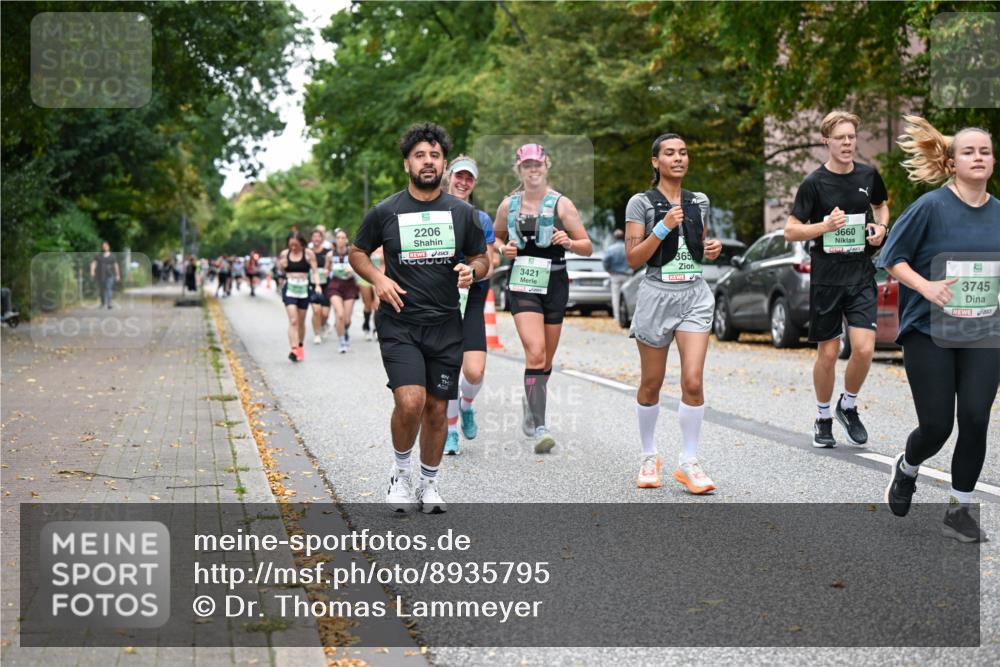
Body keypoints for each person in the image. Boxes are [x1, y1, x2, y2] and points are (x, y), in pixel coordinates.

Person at [350, 122, 489, 514]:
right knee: (410, 401)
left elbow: (482, 257)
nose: (427, 162)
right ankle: (399, 473)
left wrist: (472, 271)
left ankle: (429, 484)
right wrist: (378, 278)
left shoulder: (463, 213)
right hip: (400, 322)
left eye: (434, 156)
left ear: (443, 164)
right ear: (407, 163)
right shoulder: (386, 211)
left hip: (446, 324)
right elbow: (357, 252)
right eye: (419, 155)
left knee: (436, 409)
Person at [880, 117, 999, 543]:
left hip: (984, 334)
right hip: (929, 332)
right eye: (969, 151)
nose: (978, 157)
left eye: (984, 151)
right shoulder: (930, 207)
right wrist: (926, 286)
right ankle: (907, 466)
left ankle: (959, 511)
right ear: (951, 163)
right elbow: (892, 257)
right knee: (937, 426)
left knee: (974, 418)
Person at [784, 110, 889, 448]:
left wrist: (880, 228)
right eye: (840, 137)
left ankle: (849, 405)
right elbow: (791, 230)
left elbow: (882, 205)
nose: (847, 143)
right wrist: (824, 227)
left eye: (851, 137)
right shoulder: (814, 183)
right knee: (828, 354)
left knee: (864, 348)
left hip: (860, 274)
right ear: (826, 140)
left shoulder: (868, 175)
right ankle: (823, 416)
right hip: (827, 278)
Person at [624, 133, 723, 492]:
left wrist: (710, 248)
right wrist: (663, 226)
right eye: (670, 153)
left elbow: (697, 247)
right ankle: (649, 455)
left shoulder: (700, 201)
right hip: (656, 295)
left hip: (694, 295)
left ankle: (689, 461)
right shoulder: (641, 204)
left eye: (683, 152)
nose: (678, 158)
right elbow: (634, 258)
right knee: (651, 383)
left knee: (693, 380)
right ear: (655, 162)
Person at [494, 143, 592, 454]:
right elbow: (495, 237)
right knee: (535, 353)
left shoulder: (562, 205)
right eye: (527, 165)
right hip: (523, 280)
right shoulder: (508, 205)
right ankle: (540, 425)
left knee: (545, 360)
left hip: (555, 281)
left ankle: (531, 399)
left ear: (547, 165)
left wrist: (569, 242)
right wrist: (501, 249)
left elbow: (587, 245)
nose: (533, 170)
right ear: (519, 169)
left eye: (537, 164)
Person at [441, 156, 498, 455]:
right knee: (449, 368)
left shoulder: (481, 219)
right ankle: (450, 430)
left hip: (473, 294)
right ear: (449, 176)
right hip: (441, 297)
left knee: (473, 372)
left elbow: (488, 264)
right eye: (459, 176)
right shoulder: (433, 212)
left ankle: (466, 405)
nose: (463, 182)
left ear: (473, 183)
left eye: (469, 178)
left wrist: (470, 273)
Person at [278, 231, 322, 362]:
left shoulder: (308, 254)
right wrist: (282, 266)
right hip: (290, 289)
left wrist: (318, 285)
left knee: (301, 322)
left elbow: (315, 271)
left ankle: (300, 346)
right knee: (293, 320)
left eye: (296, 245)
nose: (293, 248)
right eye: (291, 245)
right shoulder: (285, 254)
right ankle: (293, 349)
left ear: (302, 244)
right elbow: (280, 271)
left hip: (303, 290)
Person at [327, 229, 360, 353]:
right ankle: (342, 342)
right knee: (339, 314)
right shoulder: (330, 255)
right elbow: (326, 269)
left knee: (347, 319)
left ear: (346, 240)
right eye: (338, 237)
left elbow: (359, 268)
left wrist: (353, 271)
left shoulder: (352, 253)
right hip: (335, 285)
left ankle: (344, 330)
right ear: (335, 240)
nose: (340, 240)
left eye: (343, 237)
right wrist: (326, 272)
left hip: (349, 286)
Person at [603, 228, 632, 323]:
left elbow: (606, 261)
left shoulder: (611, 249)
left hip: (615, 275)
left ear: (614, 238)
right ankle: (627, 316)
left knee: (615, 296)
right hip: (627, 274)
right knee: (627, 296)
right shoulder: (627, 247)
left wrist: (609, 270)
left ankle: (617, 317)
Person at [308, 229, 332, 344]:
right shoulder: (308, 252)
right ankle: (317, 333)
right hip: (312, 284)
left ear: (322, 239)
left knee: (325, 313)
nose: (316, 239)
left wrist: (328, 270)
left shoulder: (328, 252)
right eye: (314, 237)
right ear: (311, 239)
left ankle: (323, 324)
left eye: (319, 237)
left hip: (326, 284)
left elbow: (334, 265)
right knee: (316, 311)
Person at [358, 246, 384, 341]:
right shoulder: (367, 243)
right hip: (366, 278)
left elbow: (384, 263)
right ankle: (366, 326)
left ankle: (376, 330)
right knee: (368, 305)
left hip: (379, 276)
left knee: (377, 304)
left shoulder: (384, 246)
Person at [90, 241, 120, 309]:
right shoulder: (98, 256)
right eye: (103, 246)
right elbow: (93, 263)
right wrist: (92, 271)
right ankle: (103, 303)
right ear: (102, 247)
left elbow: (116, 265)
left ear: (108, 247)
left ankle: (109, 303)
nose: (104, 247)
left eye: (105, 246)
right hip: (101, 275)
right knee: (102, 290)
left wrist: (118, 275)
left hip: (110, 275)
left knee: (108, 288)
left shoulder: (112, 256)